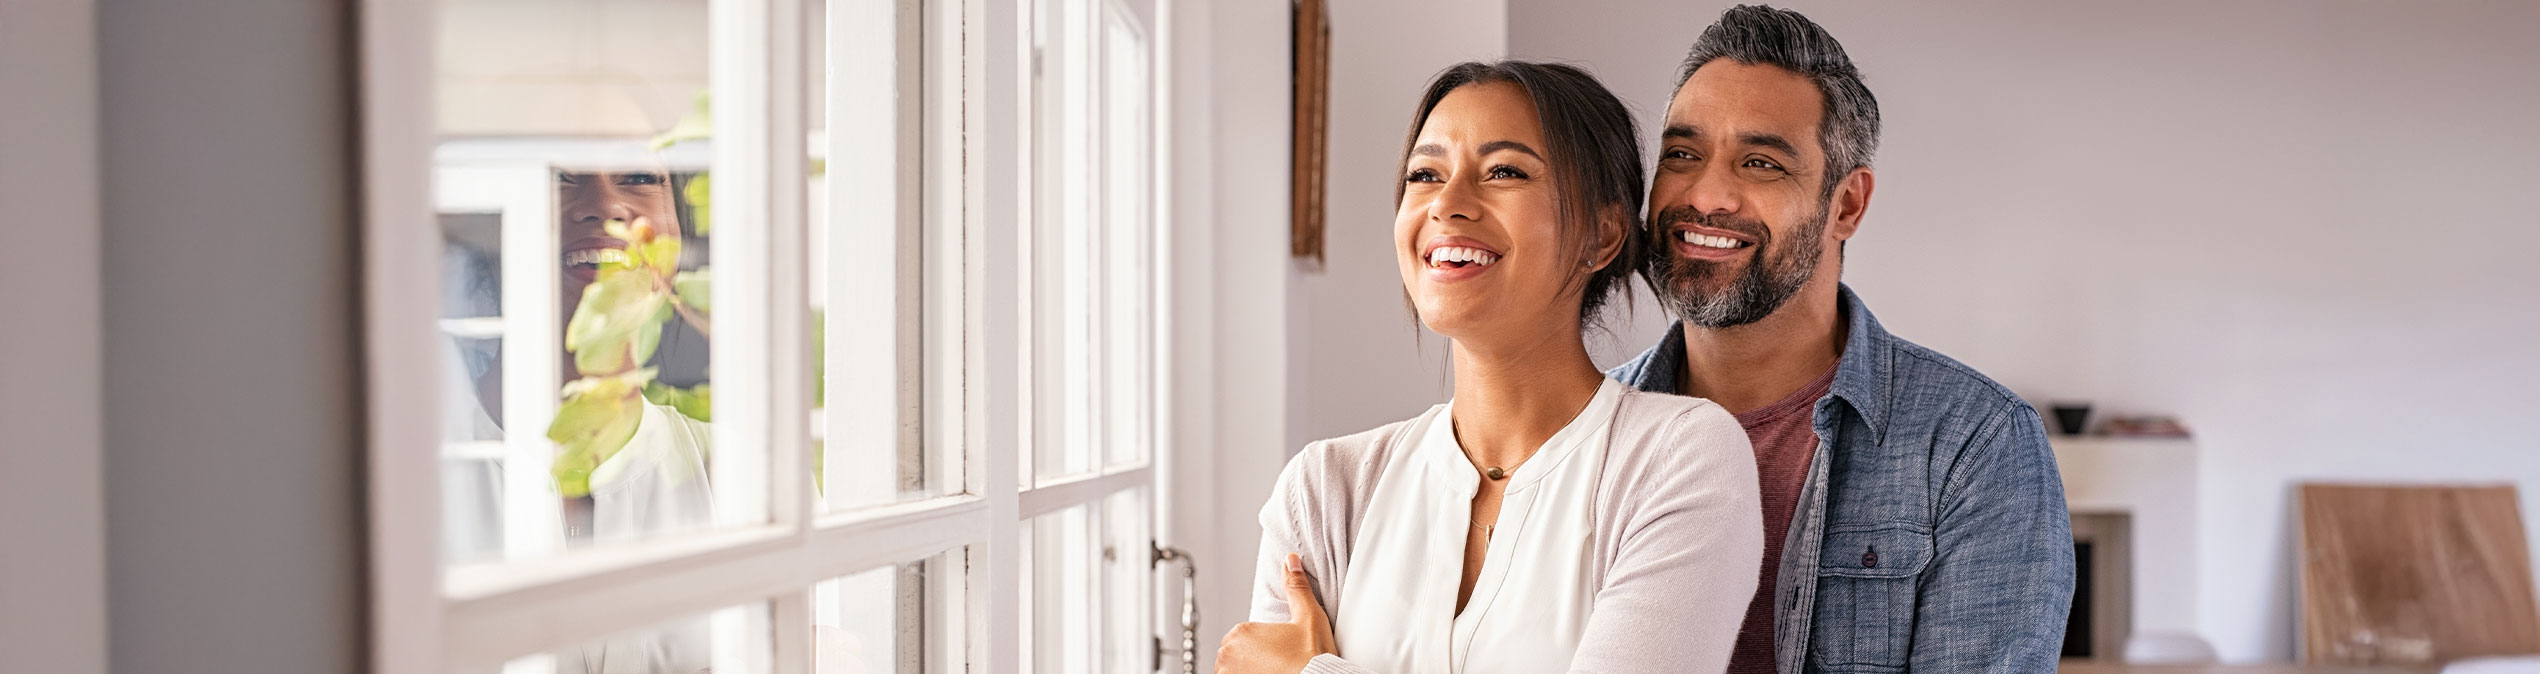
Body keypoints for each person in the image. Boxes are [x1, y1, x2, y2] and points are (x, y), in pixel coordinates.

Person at [1217, 61, 1764, 674]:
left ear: (1603, 234)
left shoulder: (1680, 461)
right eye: (1424, 175)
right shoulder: (1324, 491)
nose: (1447, 204)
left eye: (1504, 171)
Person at [1605, 6, 2075, 673]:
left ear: (1847, 205)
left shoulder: (1976, 445)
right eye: (1682, 154)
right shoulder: (1591, 428)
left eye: (1761, 163)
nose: (1707, 194)